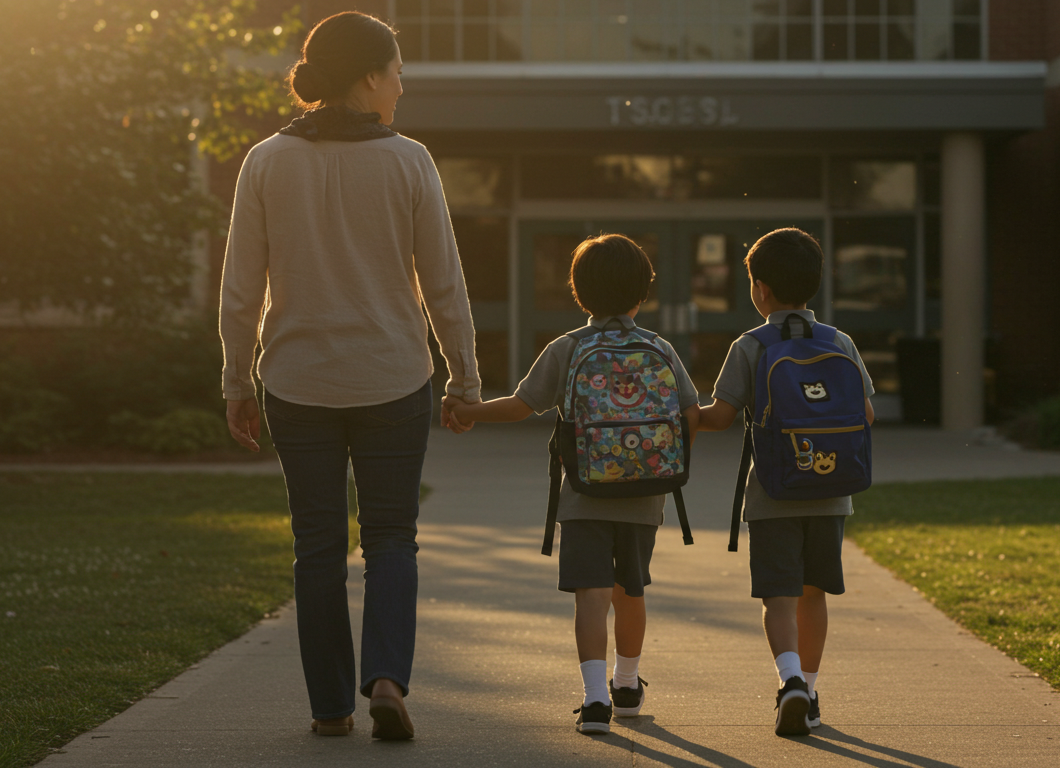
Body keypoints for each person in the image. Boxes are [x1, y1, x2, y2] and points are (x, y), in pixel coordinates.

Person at [219, 11, 479, 741]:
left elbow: (240, 290)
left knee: (318, 544)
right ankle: (388, 680)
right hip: (393, 376)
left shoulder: (265, 160)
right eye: (397, 69)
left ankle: (330, 705)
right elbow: (445, 284)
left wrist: (237, 381)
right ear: (368, 76)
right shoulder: (410, 161)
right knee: (393, 535)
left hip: (297, 381)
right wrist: (465, 379)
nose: (403, 83)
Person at [448, 234, 700, 736]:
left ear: (578, 291)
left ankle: (593, 700)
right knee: (631, 590)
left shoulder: (568, 347)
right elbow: (690, 417)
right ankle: (626, 685)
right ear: (642, 293)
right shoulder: (659, 347)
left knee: (591, 593)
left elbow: (522, 405)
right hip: (644, 493)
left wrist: (468, 411)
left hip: (584, 493)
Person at [696, 228, 875, 737]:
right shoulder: (839, 342)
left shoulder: (751, 345)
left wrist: (683, 416)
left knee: (778, 595)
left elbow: (720, 418)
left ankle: (790, 679)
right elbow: (864, 414)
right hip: (832, 493)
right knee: (813, 594)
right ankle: (812, 693)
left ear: (760, 289)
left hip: (773, 493)